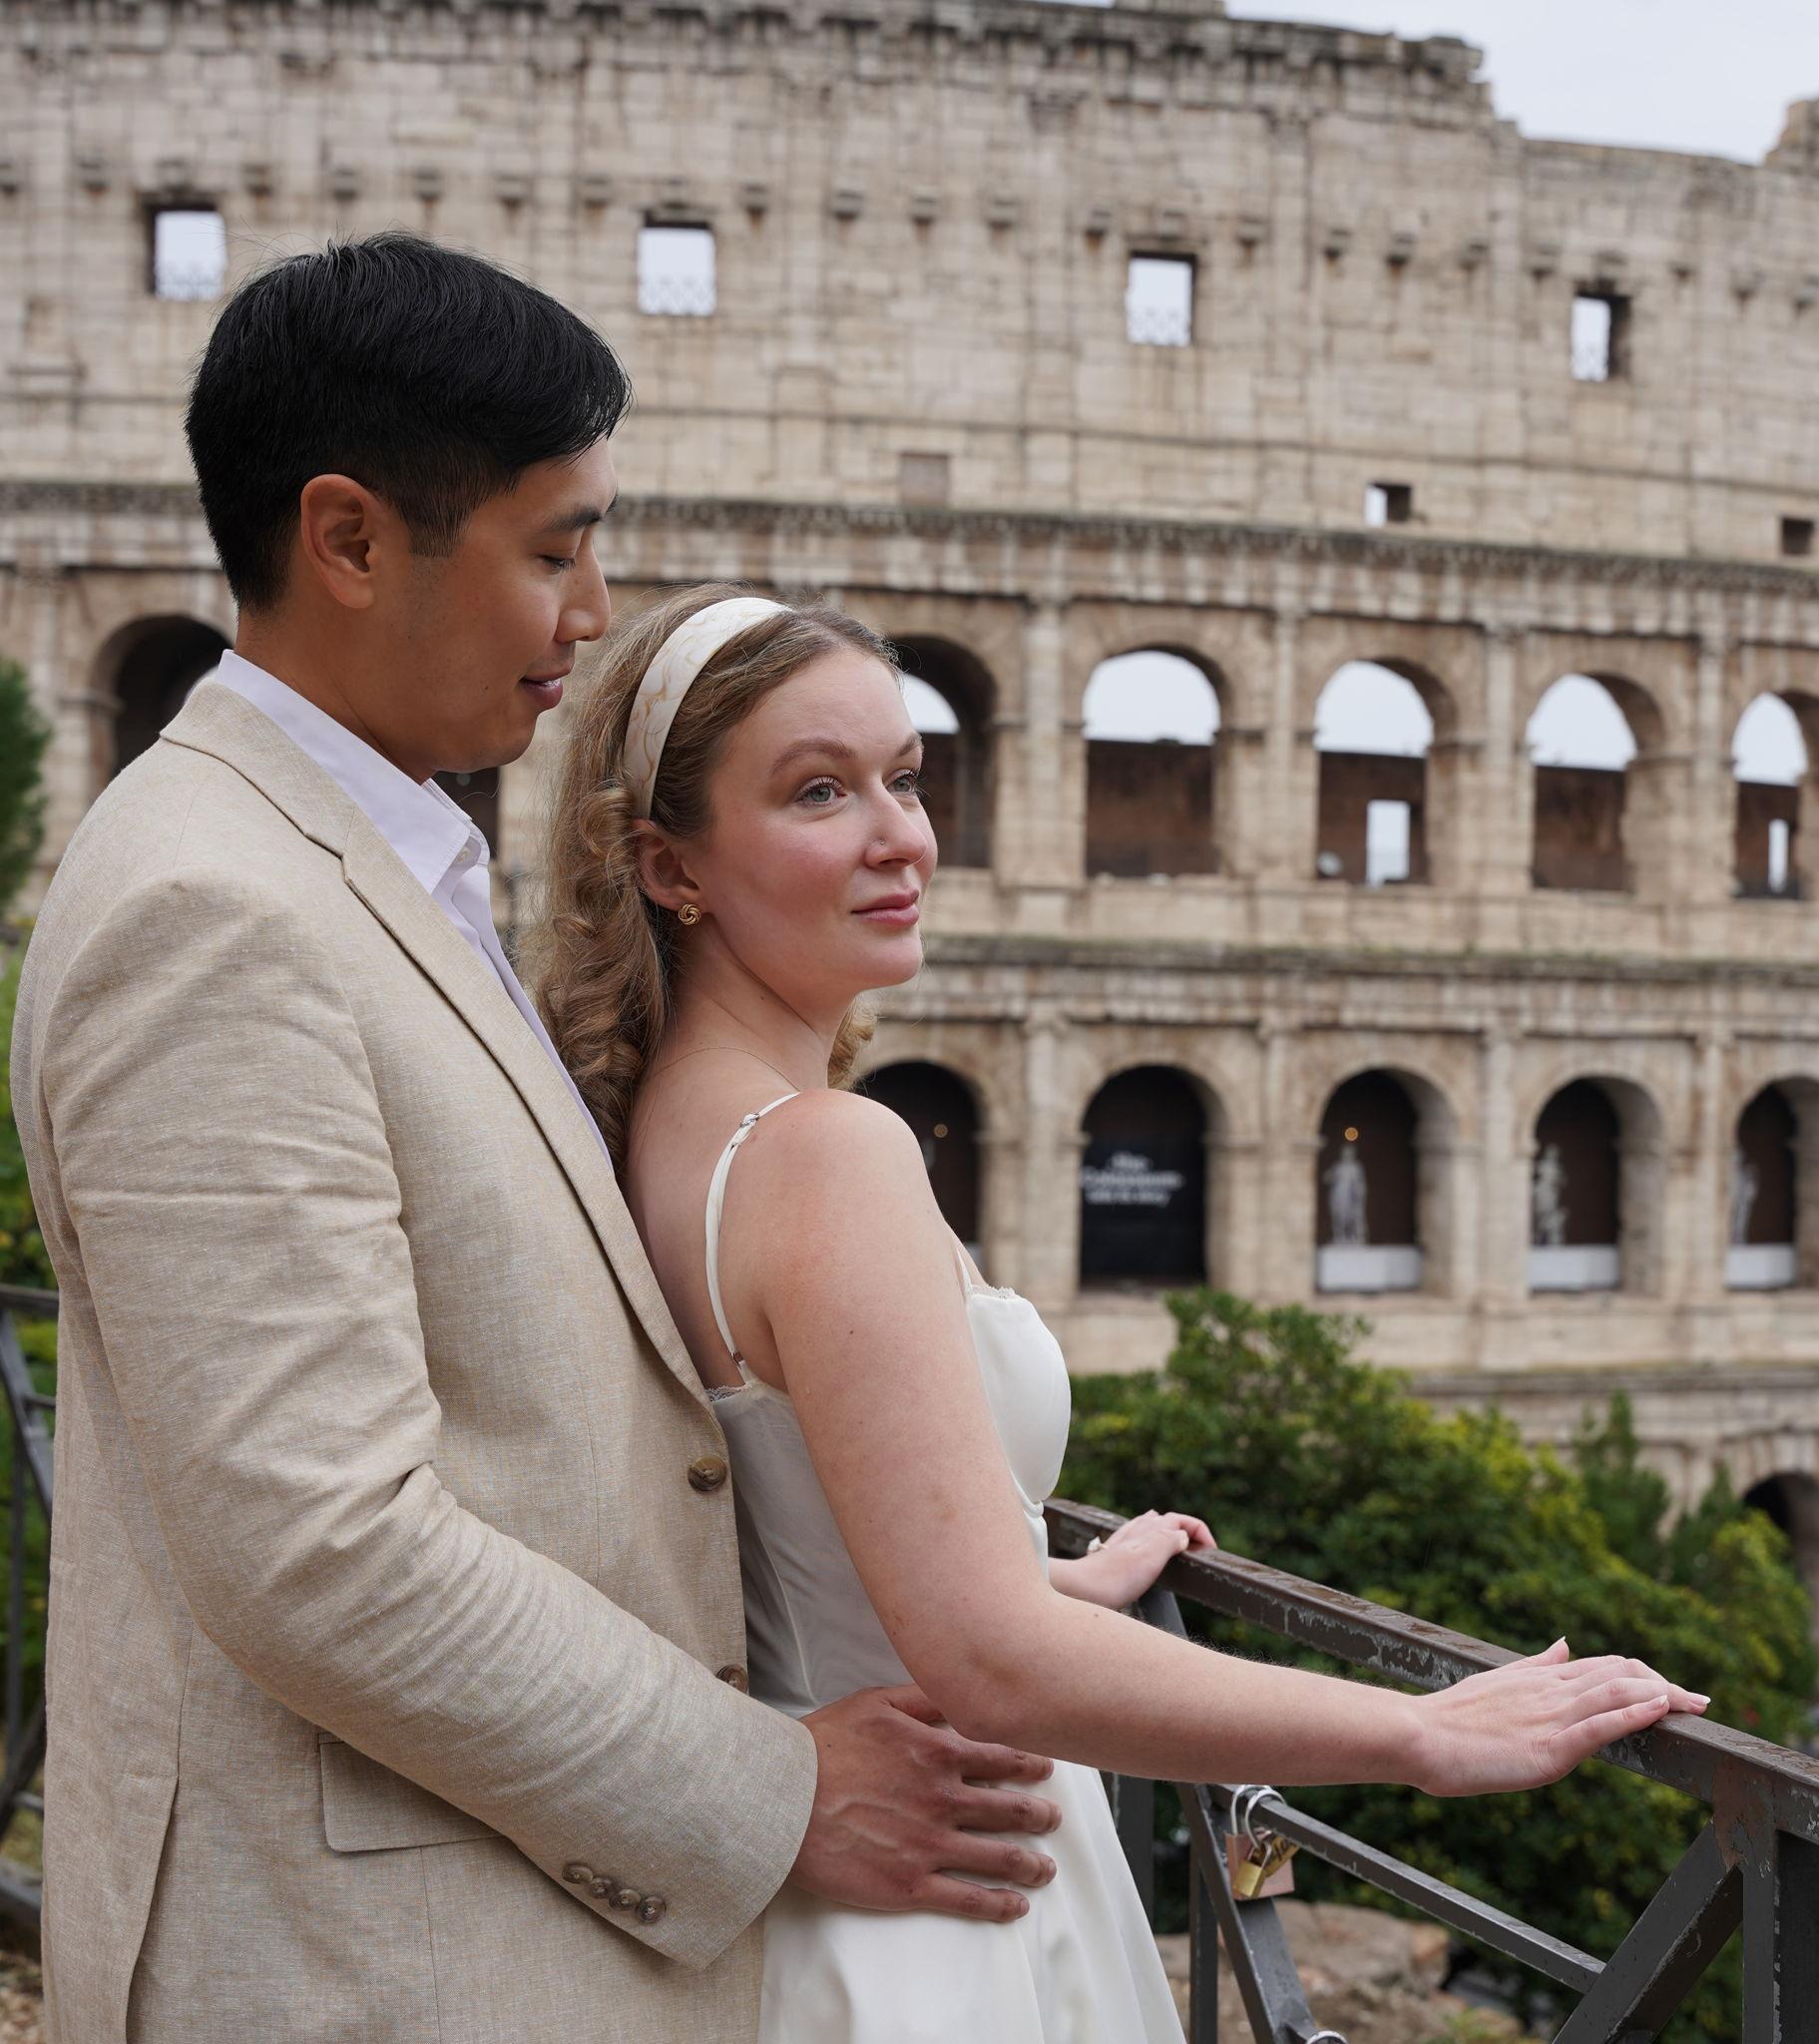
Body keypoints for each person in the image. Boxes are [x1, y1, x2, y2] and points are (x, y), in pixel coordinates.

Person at [9, 237, 1067, 2041]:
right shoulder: (214, 904)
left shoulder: (364, 855)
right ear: (348, 541)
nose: (590, 617)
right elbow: (318, 1543)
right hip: (387, 1960)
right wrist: (774, 1785)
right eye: (553, 549)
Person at [530, 583, 1713, 2041]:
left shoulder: (654, 1130)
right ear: (671, 866)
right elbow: (986, 1661)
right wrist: (1421, 1730)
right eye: (817, 792)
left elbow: (801, 1540)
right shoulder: (823, 1154)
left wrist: (1041, 1565)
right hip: (950, 1907)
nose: (899, 833)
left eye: (904, 776)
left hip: (831, 1899)